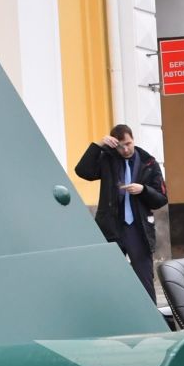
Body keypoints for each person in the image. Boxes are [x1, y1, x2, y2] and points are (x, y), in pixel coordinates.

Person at [74, 124, 168, 296]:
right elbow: (82, 171)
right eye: (120, 146)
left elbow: (162, 198)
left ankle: (149, 318)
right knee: (110, 277)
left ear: (133, 140)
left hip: (138, 229)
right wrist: (98, 146)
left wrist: (143, 190)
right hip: (112, 227)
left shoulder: (149, 162)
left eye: (128, 144)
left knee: (144, 279)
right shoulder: (107, 159)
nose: (125, 149)